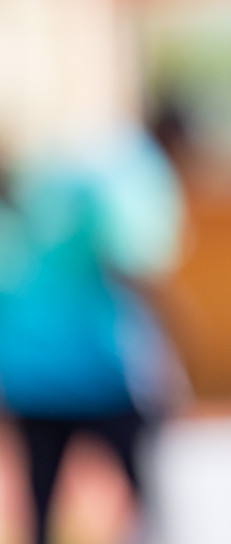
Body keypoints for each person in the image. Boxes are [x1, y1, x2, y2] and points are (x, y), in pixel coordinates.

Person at [0, 113, 187, 544]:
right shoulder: (132, 176)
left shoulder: (42, 194)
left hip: (32, 373)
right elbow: (133, 267)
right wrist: (174, 339)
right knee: (143, 497)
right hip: (100, 370)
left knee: (39, 502)